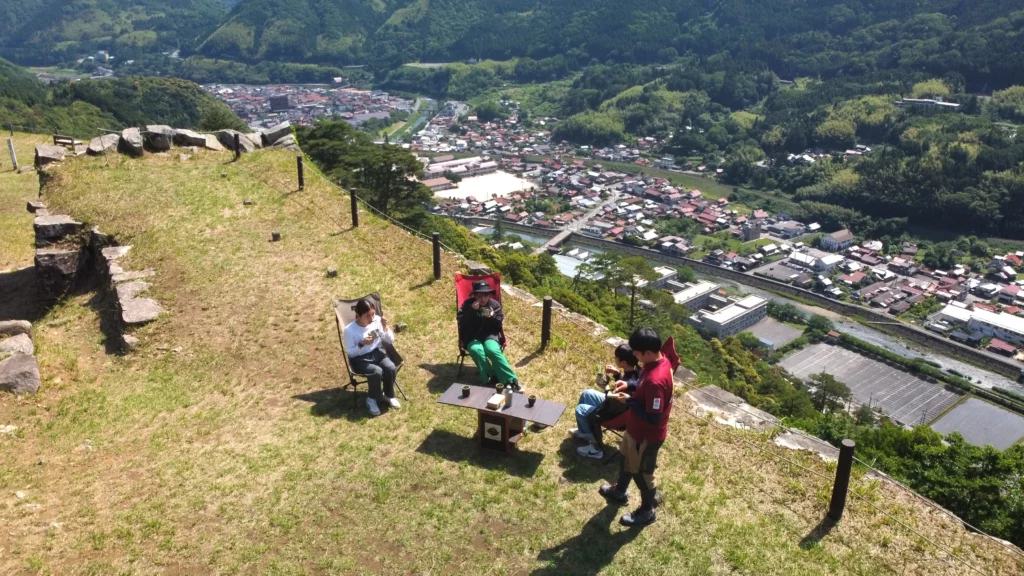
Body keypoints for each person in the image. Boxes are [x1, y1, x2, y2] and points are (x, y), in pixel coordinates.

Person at [598, 326, 676, 527]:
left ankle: (647, 510)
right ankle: (620, 491)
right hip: (634, 430)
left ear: (647, 353)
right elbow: (641, 381)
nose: (633, 355)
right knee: (625, 459)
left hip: (646, 435)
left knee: (642, 474)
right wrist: (630, 386)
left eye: (636, 352)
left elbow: (653, 418)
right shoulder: (659, 361)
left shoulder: (655, 382)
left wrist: (629, 402)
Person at [569, 344, 640, 460]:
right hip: (620, 408)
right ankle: (584, 430)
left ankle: (596, 448)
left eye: (616, 357)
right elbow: (625, 384)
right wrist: (617, 375)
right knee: (587, 393)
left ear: (624, 363)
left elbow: (612, 401)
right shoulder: (637, 372)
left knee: (580, 409)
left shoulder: (627, 385)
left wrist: (605, 386)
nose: (614, 358)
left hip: (615, 415)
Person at [459, 280, 520, 391]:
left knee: (492, 350)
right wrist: (472, 311)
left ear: (489, 295)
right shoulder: (468, 304)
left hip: (490, 335)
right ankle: (490, 376)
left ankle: (511, 380)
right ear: (475, 296)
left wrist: (491, 317)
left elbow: (498, 325)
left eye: (485, 295)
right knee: (477, 350)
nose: (482, 299)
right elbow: (461, 321)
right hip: (472, 335)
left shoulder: (494, 305)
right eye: (479, 296)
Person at [344, 298, 399, 416]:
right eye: (367, 316)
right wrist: (361, 344)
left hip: (377, 352)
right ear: (358, 315)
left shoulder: (377, 320)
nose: (372, 318)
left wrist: (385, 327)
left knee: (390, 367)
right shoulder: (349, 330)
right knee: (376, 372)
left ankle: (388, 395)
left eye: (373, 314)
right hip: (360, 359)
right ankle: (371, 399)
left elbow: (390, 340)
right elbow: (351, 354)